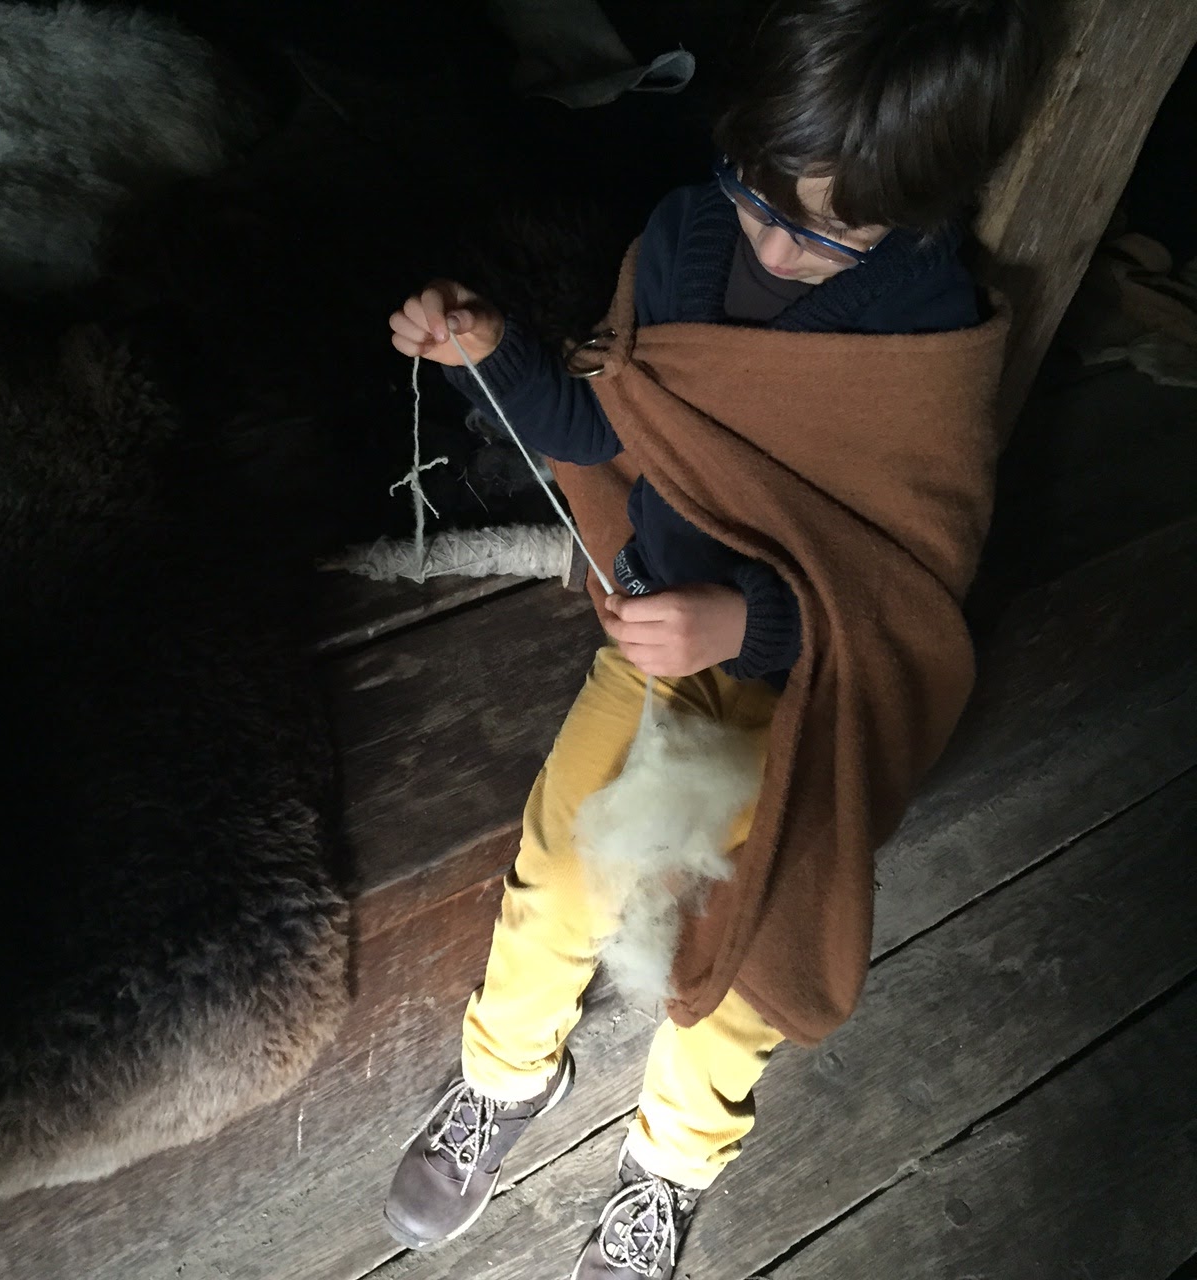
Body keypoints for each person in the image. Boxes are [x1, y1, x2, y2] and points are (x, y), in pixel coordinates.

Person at [382, 2, 1045, 1275]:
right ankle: (504, 1072)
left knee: (741, 959)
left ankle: (670, 1164)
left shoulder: (924, 330)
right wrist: (490, 353)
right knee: (559, 859)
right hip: (654, 652)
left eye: (826, 233)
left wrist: (746, 618)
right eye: (757, 191)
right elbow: (609, 426)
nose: (773, 244)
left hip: (806, 694)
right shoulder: (687, 233)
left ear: (916, 206)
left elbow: (909, 588)